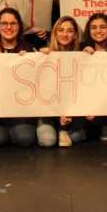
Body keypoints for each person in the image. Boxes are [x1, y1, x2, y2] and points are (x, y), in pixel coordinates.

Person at [0, 8, 37, 148]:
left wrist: (43, 55)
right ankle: (4, 131)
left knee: (25, 138)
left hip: (20, 111)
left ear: (19, 26)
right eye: (4, 23)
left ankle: (13, 131)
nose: (8, 27)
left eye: (13, 23)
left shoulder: (29, 48)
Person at [36, 17, 88, 148]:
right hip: (48, 112)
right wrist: (40, 58)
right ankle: (58, 128)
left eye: (70, 31)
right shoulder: (44, 53)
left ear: (75, 34)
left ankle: (64, 129)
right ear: (55, 33)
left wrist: (90, 55)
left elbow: (84, 88)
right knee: (48, 140)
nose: (65, 34)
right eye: (61, 30)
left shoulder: (83, 54)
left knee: (76, 136)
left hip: (74, 111)